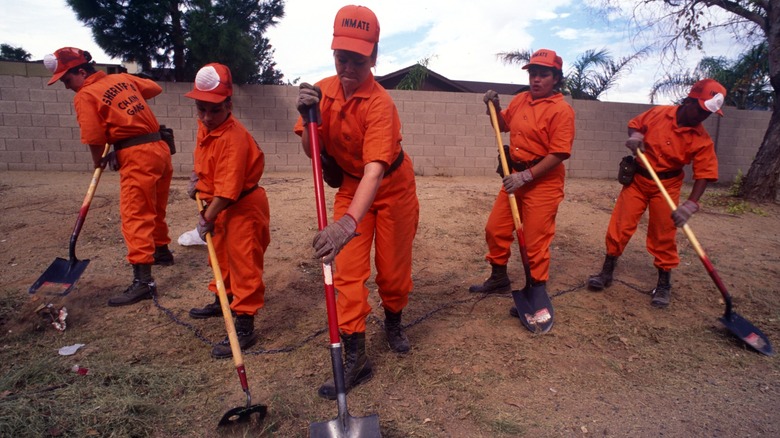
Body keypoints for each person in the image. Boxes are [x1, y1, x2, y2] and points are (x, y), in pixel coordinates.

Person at [294, 4, 420, 400]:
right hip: (351, 187)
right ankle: (356, 356)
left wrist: (347, 223)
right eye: (341, 57)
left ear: (375, 56)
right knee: (344, 270)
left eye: (358, 60)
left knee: (392, 270)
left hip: (391, 187)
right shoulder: (322, 91)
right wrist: (307, 118)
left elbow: (375, 171)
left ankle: (394, 320)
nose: (348, 67)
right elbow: (312, 151)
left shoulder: (380, 104)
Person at [44, 47, 174, 307]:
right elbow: (154, 89)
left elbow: (94, 137)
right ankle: (160, 251)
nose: (67, 87)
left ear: (81, 72)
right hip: (159, 149)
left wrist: (99, 160)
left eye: (67, 80)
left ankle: (143, 282)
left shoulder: (85, 95)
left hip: (137, 155)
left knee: (135, 214)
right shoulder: (122, 79)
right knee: (155, 205)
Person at [587, 79, 726, 308]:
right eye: (701, 110)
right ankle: (606, 272)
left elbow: (705, 173)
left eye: (708, 114)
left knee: (663, 233)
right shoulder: (659, 114)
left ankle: (663, 284)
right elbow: (636, 124)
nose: (702, 117)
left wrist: (691, 204)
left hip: (668, 185)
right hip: (638, 180)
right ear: (689, 100)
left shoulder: (701, 140)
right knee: (620, 225)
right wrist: (636, 138)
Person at [470, 49, 575, 309]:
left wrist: (527, 176)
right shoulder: (520, 100)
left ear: (556, 79)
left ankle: (535, 289)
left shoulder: (562, 111)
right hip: (514, 176)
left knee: (535, 239)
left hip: (543, 181)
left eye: (543, 75)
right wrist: (492, 106)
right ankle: (498, 278)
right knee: (495, 228)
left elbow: (559, 153)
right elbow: (501, 125)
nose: (536, 79)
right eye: (533, 74)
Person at [184, 63, 271, 359]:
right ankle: (223, 298)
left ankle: (245, 325)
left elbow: (228, 191)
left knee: (244, 263)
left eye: (215, 110)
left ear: (229, 105)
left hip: (243, 206)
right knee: (220, 257)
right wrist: (196, 180)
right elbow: (204, 161)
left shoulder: (234, 138)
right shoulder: (206, 126)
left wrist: (205, 218)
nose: (207, 117)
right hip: (218, 207)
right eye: (201, 109)